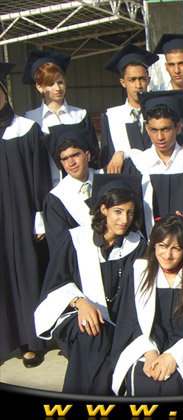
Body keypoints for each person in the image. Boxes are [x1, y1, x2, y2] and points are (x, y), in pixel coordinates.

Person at [34, 175, 147, 394]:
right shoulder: (76, 240)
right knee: (92, 334)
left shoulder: (137, 245)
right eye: (118, 211)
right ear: (103, 209)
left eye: (130, 212)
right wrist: (79, 302)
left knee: (107, 341)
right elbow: (55, 283)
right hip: (75, 315)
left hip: (121, 320)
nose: (124, 219)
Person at [111, 214, 183, 395]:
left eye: (176, 248)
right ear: (154, 244)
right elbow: (129, 321)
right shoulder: (138, 272)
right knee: (143, 376)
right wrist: (149, 352)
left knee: (175, 380)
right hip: (145, 347)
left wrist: (174, 356)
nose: (167, 255)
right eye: (162, 245)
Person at [1, 62, 52, 368]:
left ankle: (29, 341)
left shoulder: (25, 130)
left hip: (21, 217)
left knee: (25, 272)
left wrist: (39, 218)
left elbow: (39, 178)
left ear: (5, 93)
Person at [121, 90, 183, 235]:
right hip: (148, 242)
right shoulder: (137, 165)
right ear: (147, 129)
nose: (160, 137)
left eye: (166, 129)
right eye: (154, 130)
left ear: (178, 128)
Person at [22, 50, 100, 187]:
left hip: (82, 184)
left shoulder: (79, 115)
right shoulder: (31, 120)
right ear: (39, 87)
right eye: (50, 84)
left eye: (60, 82)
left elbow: (93, 153)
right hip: (48, 185)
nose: (58, 88)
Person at [43, 124, 103, 251]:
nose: (71, 163)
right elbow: (60, 246)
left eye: (75, 155)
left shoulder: (106, 178)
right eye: (65, 159)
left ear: (87, 155)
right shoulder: (56, 199)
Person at [100, 43, 159, 173]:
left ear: (148, 80)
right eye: (132, 80)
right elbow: (107, 159)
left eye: (142, 79)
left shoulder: (159, 112)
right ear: (123, 82)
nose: (138, 85)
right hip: (126, 180)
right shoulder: (112, 117)